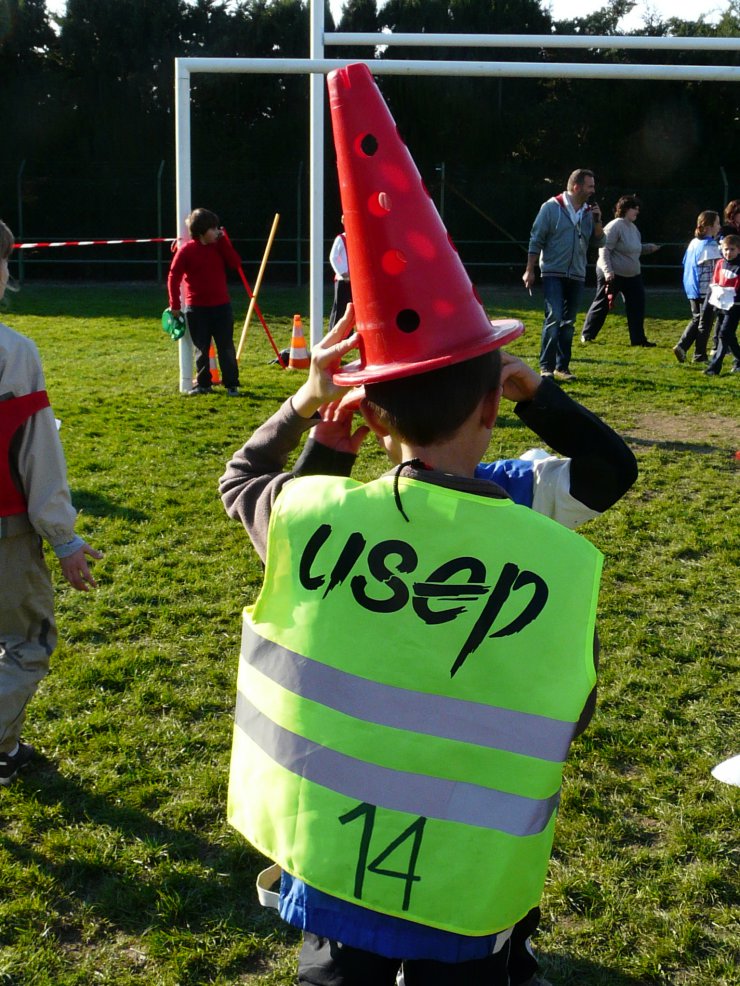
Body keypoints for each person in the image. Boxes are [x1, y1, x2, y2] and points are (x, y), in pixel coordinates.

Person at [221, 60, 638, 986]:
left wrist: (309, 417)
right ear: (492, 406)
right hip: (470, 881)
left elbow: (245, 482)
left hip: (329, 859)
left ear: (371, 416)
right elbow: (613, 473)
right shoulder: (533, 519)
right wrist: (541, 396)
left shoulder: (314, 515)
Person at [0, 219, 102, 786]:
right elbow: (37, 454)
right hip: (6, 535)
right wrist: (63, 537)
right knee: (27, 646)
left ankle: (6, 751)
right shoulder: (12, 354)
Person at [523, 169, 604, 382]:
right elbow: (536, 239)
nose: (593, 191)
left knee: (568, 323)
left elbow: (599, 242)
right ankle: (546, 367)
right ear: (576, 187)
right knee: (554, 317)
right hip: (553, 272)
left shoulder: (588, 212)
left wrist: (597, 221)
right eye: (590, 186)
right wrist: (530, 269)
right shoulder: (551, 208)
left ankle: (562, 367)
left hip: (577, 273)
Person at [167, 207, 243, 397]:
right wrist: (175, 304)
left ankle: (232, 384)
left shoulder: (219, 246)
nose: (217, 231)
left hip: (221, 306)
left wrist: (224, 241)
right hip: (197, 308)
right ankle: (203, 384)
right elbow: (173, 276)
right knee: (201, 349)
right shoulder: (186, 251)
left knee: (226, 346)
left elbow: (235, 262)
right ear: (201, 231)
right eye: (213, 228)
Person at [580, 195, 660, 348]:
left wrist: (649, 247)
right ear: (624, 209)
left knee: (637, 305)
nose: (637, 211)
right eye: (634, 208)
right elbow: (604, 249)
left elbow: (633, 249)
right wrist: (608, 272)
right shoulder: (615, 226)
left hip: (632, 276)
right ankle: (587, 334)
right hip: (612, 273)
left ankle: (638, 340)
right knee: (602, 304)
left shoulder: (633, 228)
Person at [672, 210, 721, 364]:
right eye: (717, 223)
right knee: (704, 323)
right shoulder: (710, 245)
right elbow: (717, 268)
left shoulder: (694, 242)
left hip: (691, 287)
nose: (719, 226)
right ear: (707, 226)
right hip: (705, 290)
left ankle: (682, 347)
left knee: (697, 319)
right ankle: (699, 356)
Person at [704, 233, 740, 376]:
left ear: (738, 250)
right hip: (721, 303)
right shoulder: (720, 263)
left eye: (732, 249)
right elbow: (715, 281)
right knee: (727, 335)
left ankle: (713, 368)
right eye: (726, 249)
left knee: (724, 334)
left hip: (735, 305)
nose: (728, 253)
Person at [328, 215, 352, 332]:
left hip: (353, 280)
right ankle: (334, 332)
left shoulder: (355, 238)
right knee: (339, 307)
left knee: (350, 308)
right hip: (343, 279)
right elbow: (333, 257)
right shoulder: (341, 238)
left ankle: (347, 333)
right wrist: (343, 272)